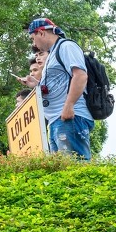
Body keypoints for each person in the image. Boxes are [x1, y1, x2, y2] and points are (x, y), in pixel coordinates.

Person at [22, 17, 94, 160]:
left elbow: (80, 75)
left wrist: (69, 106)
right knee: (63, 170)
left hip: (70, 117)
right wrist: (36, 84)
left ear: (41, 33)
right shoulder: (53, 54)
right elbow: (57, 85)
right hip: (57, 120)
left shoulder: (66, 46)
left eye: (32, 38)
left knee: (75, 167)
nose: (33, 43)